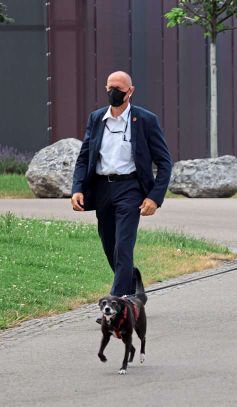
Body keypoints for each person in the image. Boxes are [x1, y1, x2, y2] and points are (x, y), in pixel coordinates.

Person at [71, 71, 172, 305]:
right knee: (111, 247)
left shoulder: (145, 120)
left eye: (118, 88)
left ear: (130, 91)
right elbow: (84, 157)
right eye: (110, 88)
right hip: (102, 189)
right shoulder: (96, 119)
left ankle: (116, 301)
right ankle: (131, 282)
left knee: (123, 246)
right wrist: (77, 188)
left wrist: (154, 198)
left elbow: (164, 162)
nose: (113, 92)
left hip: (130, 189)